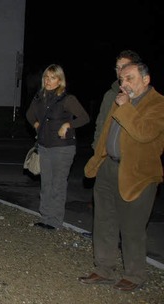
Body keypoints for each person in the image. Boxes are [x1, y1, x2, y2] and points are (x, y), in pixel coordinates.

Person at [79, 62, 164, 291]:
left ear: (146, 80)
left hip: (138, 174)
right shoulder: (120, 101)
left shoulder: (158, 103)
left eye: (130, 78)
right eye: (122, 79)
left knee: (132, 227)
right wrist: (98, 159)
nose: (124, 84)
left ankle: (134, 275)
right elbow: (108, 132)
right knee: (104, 222)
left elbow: (144, 133)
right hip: (109, 168)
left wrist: (126, 107)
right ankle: (104, 269)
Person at [25, 64, 89, 230]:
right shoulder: (40, 97)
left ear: (60, 81)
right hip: (45, 145)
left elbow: (84, 117)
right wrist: (36, 123)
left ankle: (54, 221)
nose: (48, 80)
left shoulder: (67, 99)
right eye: (46, 77)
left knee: (58, 185)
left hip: (62, 147)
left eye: (53, 78)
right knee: (46, 183)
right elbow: (29, 114)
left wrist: (68, 124)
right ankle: (45, 217)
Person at [92, 50, 142, 149]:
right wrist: (96, 146)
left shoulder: (144, 95)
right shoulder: (110, 94)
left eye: (124, 67)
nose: (120, 72)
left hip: (133, 157)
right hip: (108, 158)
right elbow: (101, 122)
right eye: (118, 68)